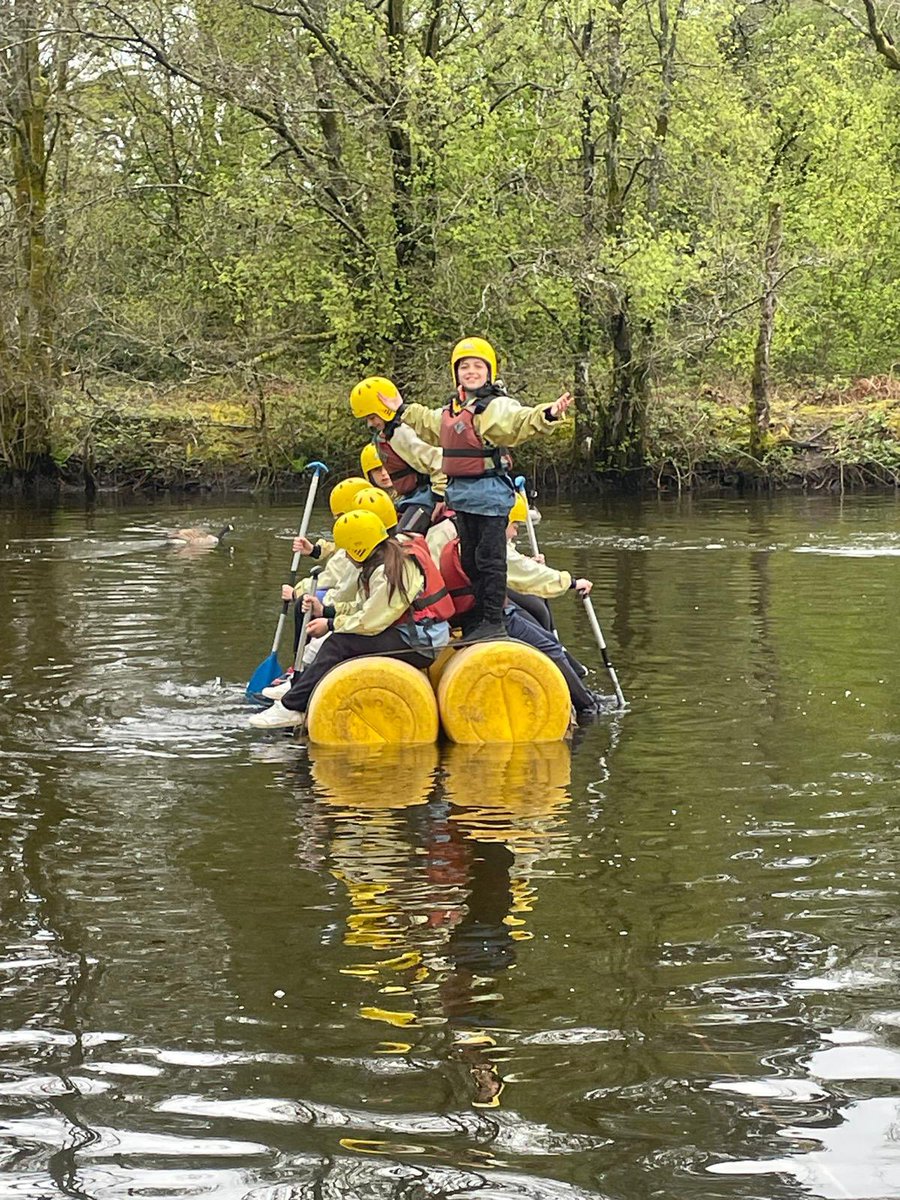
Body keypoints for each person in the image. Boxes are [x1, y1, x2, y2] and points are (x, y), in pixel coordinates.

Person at [380, 337, 572, 639]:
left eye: (477, 366)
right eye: (464, 367)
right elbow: (430, 423)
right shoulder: (453, 410)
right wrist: (401, 409)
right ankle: (479, 617)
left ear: (489, 372)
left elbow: (519, 420)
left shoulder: (495, 407)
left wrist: (547, 413)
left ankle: (493, 621)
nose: (471, 372)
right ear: (456, 373)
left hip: (489, 497)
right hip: (462, 498)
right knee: (469, 560)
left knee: (490, 560)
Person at [249, 511, 453, 730]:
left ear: (360, 546)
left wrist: (330, 624)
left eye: (347, 550)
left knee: (340, 643)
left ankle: (292, 707)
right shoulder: (380, 559)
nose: (346, 556)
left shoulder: (392, 570)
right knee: (338, 640)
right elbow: (363, 605)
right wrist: (327, 611)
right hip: (407, 634)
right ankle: (299, 688)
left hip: (420, 645)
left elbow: (371, 621)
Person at [441, 493, 606, 718]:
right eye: (515, 526)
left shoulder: (472, 539)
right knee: (551, 650)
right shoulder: (493, 545)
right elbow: (528, 575)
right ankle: (587, 707)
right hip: (496, 618)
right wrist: (572, 582)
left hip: (480, 615)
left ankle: (586, 694)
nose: (516, 532)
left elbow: (516, 568)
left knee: (549, 640)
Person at [350, 376, 447, 535]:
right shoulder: (387, 435)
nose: (370, 424)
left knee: (404, 539)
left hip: (425, 498)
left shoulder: (402, 432)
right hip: (411, 497)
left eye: (372, 417)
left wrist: (439, 499)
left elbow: (438, 462)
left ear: (384, 410)